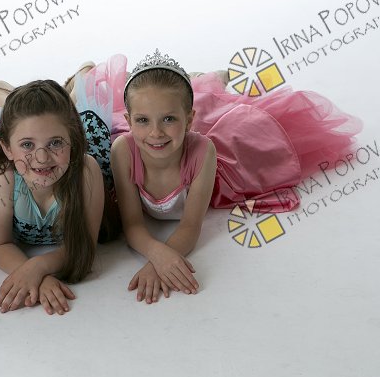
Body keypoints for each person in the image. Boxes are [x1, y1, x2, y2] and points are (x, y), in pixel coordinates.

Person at [109, 50, 362, 304]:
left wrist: (160, 264)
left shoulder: (203, 152)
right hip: (167, 132)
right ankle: (202, 82)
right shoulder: (123, 151)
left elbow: (190, 226)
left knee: (252, 135)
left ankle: (209, 82)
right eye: (142, 120)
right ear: (129, 121)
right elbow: (133, 224)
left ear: (189, 120)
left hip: (222, 167)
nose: (155, 132)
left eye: (168, 119)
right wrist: (158, 254)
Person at [0, 78, 108, 316]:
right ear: (7, 149)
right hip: (11, 157)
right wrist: (34, 274)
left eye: (56, 142)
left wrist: (38, 266)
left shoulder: (86, 172)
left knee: (81, 96)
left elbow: (85, 246)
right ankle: (0, 91)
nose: (42, 158)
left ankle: (80, 80)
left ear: (73, 141)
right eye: (27, 145)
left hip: (77, 158)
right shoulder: (2, 178)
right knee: (8, 113)